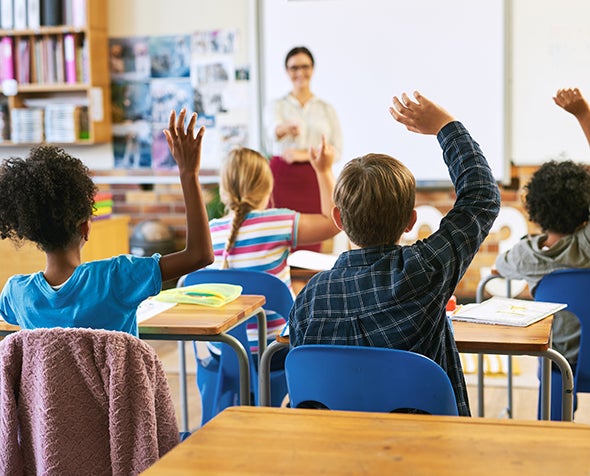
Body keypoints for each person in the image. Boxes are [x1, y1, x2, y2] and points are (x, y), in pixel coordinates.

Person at [289, 91, 501, 416]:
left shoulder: (309, 299)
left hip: (335, 453)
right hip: (426, 452)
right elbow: (482, 195)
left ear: (338, 220)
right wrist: (446, 126)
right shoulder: (424, 271)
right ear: (410, 222)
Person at [0, 108, 214, 336]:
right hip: (118, 374)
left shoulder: (17, 293)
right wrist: (188, 173)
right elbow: (200, 255)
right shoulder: (117, 278)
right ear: (85, 227)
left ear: (32, 234)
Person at [208, 137, 340, 366]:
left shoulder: (210, 232)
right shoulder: (277, 222)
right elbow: (334, 222)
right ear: (268, 187)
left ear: (224, 189)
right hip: (273, 351)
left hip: (222, 352)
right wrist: (323, 169)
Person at [264, 46, 342, 252]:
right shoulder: (276, 106)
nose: (300, 72)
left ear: (313, 69)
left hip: (315, 177)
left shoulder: (326, 109)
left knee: (316, 234)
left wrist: (301, 154)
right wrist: (285, 128)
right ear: (286, 71)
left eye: (305, 67)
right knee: (279, 234)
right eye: (294, 67)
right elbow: (272, 131)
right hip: (282, 178)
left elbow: (337, 149)